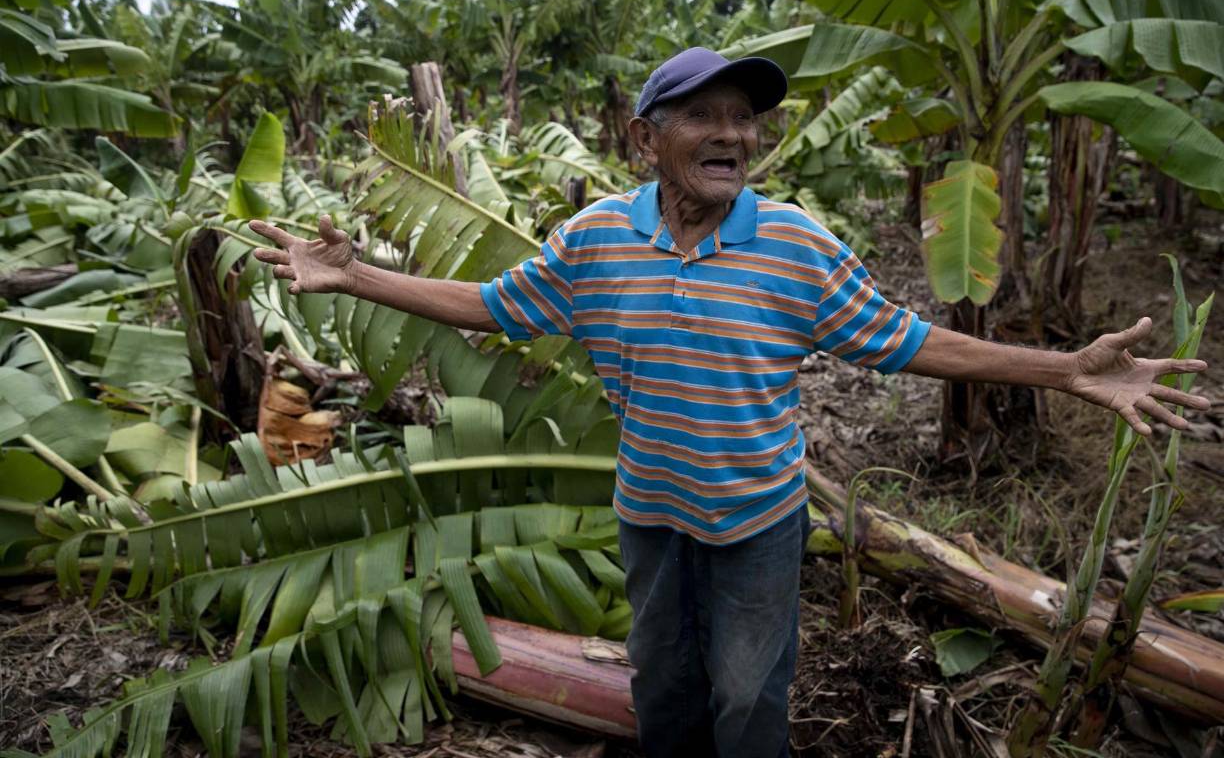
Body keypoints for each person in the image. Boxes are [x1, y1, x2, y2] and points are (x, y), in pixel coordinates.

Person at [249, 47, 1210, 758]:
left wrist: (1065, 369)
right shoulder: (593, 240)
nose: (733, 134)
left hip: (758, 516)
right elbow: (496, 308)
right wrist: (358, 279)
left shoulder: (795, 244)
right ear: (645, 138)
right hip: (651, 513)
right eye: (704, 115)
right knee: (663, 690)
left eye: (744, 118)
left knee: (750, 703)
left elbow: (909, 342)